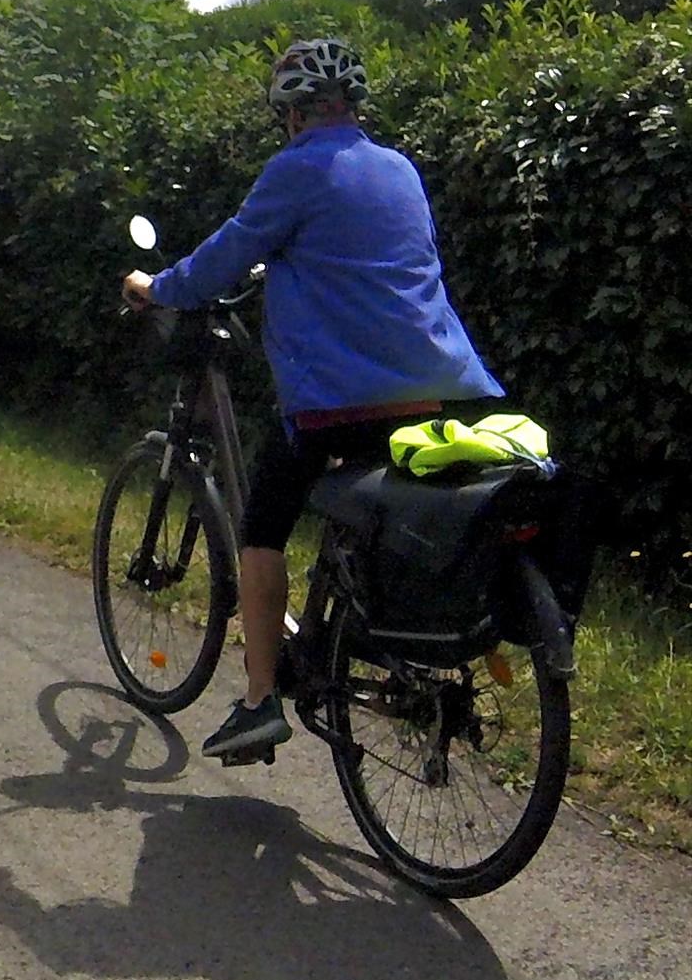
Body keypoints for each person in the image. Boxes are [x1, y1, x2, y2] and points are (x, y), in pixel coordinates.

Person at [121, 38, 503, 760]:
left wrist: (154, 287)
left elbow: (223, 259)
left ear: (291, 115)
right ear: (352, 107)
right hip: (438, 388)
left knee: (262, 527)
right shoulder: (400, 170)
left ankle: (259, 701)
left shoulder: (296, 170)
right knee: (370, 517)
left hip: (341, 402)